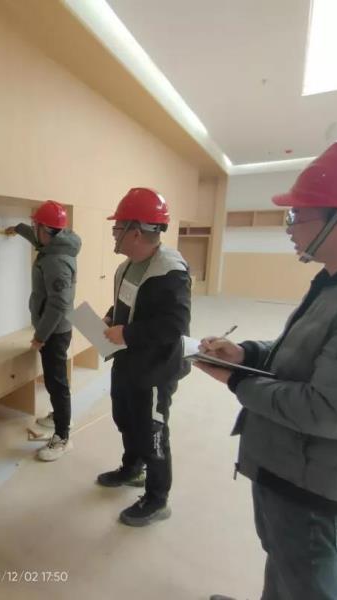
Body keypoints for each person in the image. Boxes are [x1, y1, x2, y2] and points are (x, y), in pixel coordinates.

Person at [197, 138, 337, 600]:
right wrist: (248, 354)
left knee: (308, 581)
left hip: (320, 486)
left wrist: (236, 380)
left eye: (299, 214)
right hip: (293, 465)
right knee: (283, 558)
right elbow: (305, 353)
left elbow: (330, 411)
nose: (290, 226)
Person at [98, 188, 191, 526]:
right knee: (125, 417)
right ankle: (132, 468)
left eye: (117, 227)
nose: (114, 234)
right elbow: (127, 304)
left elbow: (174, 325)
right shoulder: (129, 267)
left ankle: (156, 499)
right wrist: (112, 318)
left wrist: (127, 334)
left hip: (155, 370)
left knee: (152, 432)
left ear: (135, 232)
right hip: (127, 363)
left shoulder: (170, 273)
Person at [5, 200, 81, 461]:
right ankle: (59, 417)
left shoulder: (56, 261)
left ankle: (62, 437)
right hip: (55, 328)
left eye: (36, 225)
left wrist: (40, 336)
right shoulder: (56, 242)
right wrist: (18, 228)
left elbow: (58, 304)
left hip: (54, 332)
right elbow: (36, 238)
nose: (34, 229)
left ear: (46, 230)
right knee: (54, 379)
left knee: (56, 383)